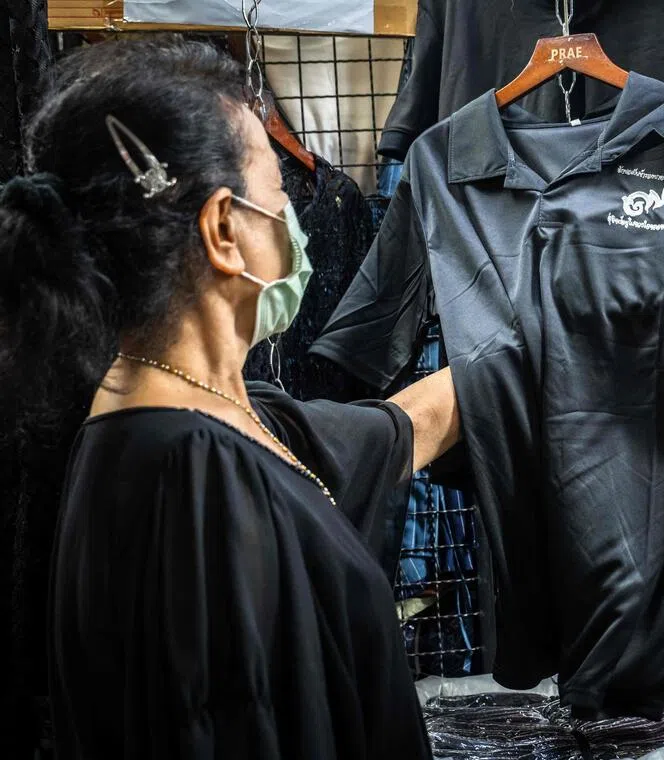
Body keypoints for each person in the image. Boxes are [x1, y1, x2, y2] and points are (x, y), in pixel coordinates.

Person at [0, 37, 459, 759]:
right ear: (223, 229)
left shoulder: (213, 417)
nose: (294, 219)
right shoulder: (191, 485)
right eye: (279, 194)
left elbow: (407, 425)